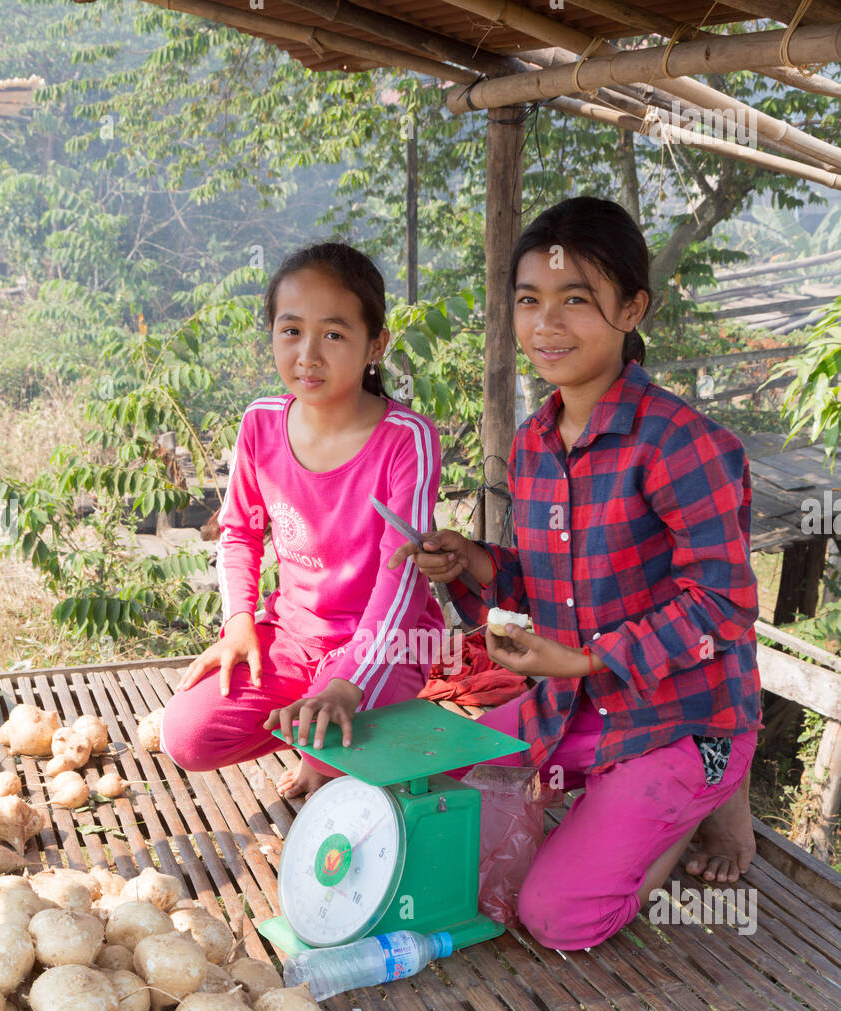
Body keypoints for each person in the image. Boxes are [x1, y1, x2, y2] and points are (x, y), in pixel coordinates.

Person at [390, 197, 761, 952]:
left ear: (632, 308)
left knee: (558, 919)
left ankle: (708, 785)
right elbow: (534, 585)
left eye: (576, 301)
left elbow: (721, 605)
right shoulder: (535, 440)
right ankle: (623, 798)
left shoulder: (682, 444)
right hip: (573, 706)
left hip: (678, 717)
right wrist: (471, 562)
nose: (546, 325)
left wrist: (590, 659)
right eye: (529, 301)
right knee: (428, 792)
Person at [161, 242, 444, 799]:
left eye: (334, 334)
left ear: (375, 345)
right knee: (187, 737)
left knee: (343, 767)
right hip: (291, 633)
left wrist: (347, 684)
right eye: (291, 331)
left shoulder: (406, 439)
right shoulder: (260, 424)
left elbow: (402, 576)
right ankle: (312, 733)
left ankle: (327, 737)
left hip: (381, 642)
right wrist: (239, 622)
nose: (308, 355)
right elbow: (240, 531)